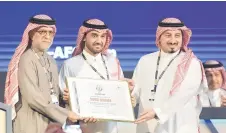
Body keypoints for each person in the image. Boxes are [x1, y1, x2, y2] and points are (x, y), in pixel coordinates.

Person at [4, 14, 81, 133]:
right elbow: (33, 98)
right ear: (31, 34)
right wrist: (66, 114)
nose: (47, 36)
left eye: (50, 33)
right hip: (30, 122)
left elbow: (53, 93)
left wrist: (66, 98)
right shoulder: (26, 59)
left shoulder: (51, 60)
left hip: (50, 122)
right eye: (42, 32)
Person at [59, 18, 136, 133]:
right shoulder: (70, 64)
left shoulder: (113, 62)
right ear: (84, 37)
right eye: (94, 35)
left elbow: (120, 95)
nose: (99, 41)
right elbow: (62, 98)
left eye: (103, 36)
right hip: (82, 128)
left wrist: (128, 97)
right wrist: (69, 100)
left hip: (111, 128)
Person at [132, 18, 208, 133]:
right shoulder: (145, 60)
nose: (173, 40)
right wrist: (130, 97)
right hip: (147, 126)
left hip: (179, 127)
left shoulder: (191, 63)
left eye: (177, 36)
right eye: (168, 35)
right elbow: (136, 88)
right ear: (159, 37)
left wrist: (158, 112)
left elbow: (183, 94)